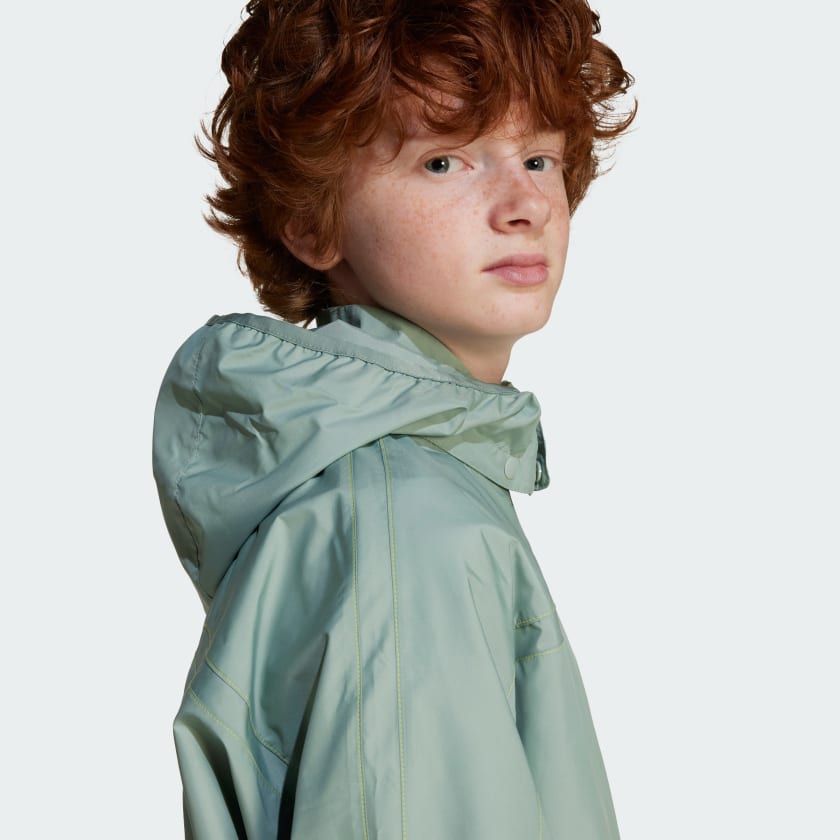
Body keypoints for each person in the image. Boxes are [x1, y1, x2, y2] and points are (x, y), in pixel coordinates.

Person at [153, 0, 635, 837]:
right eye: (445, 161)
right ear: (312, 221)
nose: (524, 204)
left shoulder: (397, 480)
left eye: (538, 157)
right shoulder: (406, 525)